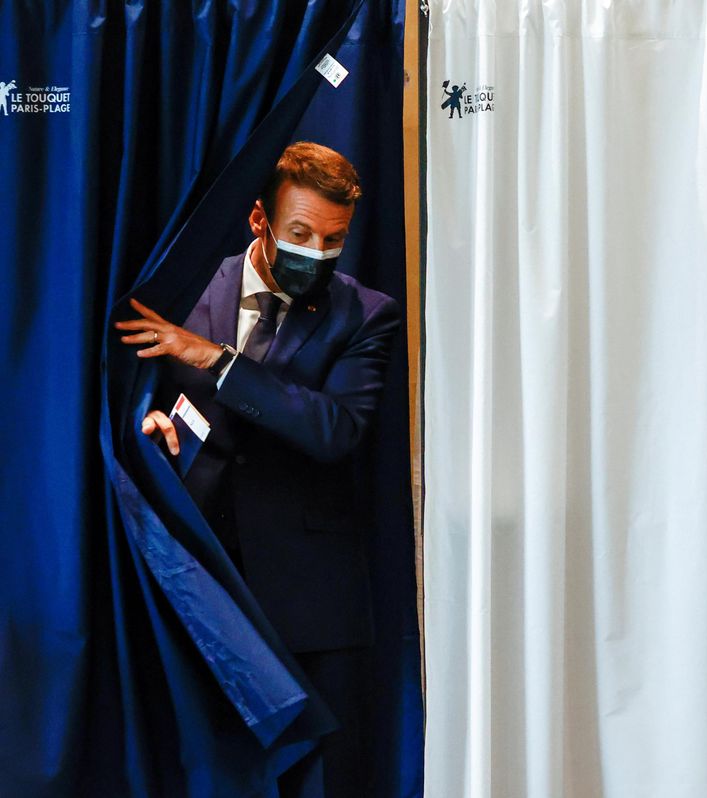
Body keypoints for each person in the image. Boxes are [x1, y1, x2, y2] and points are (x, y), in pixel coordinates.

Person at [114, 141, 402, 798]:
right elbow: (137, 405)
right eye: (300, 234)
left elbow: (336, 430)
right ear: (258, 221)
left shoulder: (366, 314)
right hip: (194, 581)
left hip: (306, 602)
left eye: (333, 240)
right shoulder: (182, 288)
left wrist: (217, 361)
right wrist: (146, 430)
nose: (318, 254)